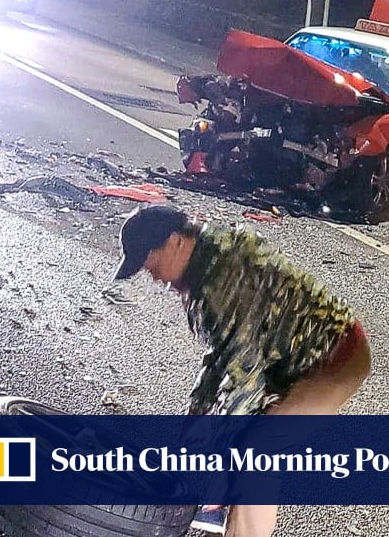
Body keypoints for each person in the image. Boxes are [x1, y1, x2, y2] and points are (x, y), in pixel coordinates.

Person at [111, 205, 372, 536]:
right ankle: (224, 516)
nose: (156, 278)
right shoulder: (200, 270)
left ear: (176, 241)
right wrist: (195, 419)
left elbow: (243, 377)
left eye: (153, 266)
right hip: (286, 360)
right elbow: (219, 355)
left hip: (334, 356)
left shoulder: (225, 275)